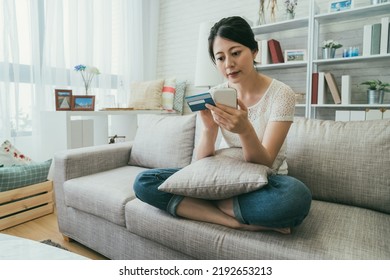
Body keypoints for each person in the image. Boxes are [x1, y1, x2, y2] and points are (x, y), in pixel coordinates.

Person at [133, 16, 312, 234]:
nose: (228, 64)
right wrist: (209, 129)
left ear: (254, 51)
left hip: (264, 180)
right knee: (144, 181)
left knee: (296, 198)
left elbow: (265, 161)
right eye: (220, 58)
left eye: (236, 53)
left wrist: (245, 130)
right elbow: (200, 163)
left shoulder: (281, 93)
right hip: (222, 175)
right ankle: (233, 220)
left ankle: (205, 202)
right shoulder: (215, 94)